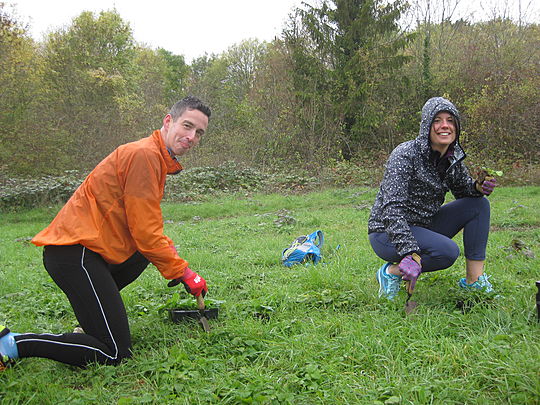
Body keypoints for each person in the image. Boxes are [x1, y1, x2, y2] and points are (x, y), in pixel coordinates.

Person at [1, 96, 211, 370]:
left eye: (199, 133)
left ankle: (93, 323)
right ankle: (12, 344)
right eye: (187, 126)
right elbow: (147, 233)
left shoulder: (154, 156)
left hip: (87, 252)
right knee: (114, 353)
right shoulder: (145, 155)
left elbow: (148, 229)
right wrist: (182, 272)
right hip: (75, 254)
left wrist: (179, 266)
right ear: (168, 121)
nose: (192, 137)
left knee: (142, 254)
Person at [368, 96, 497, 300]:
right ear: (426, 126)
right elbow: (391, 210)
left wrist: (477, 187)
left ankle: (474, 282)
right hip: (387, 233)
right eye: (437, 120)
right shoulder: (405, 155)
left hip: (424, 226)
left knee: (478, 205)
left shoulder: (451, 157)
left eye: (450, 120)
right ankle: (390, 273)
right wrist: (409, 252)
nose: (444, 126)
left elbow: (464, 191)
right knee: (447, 252)